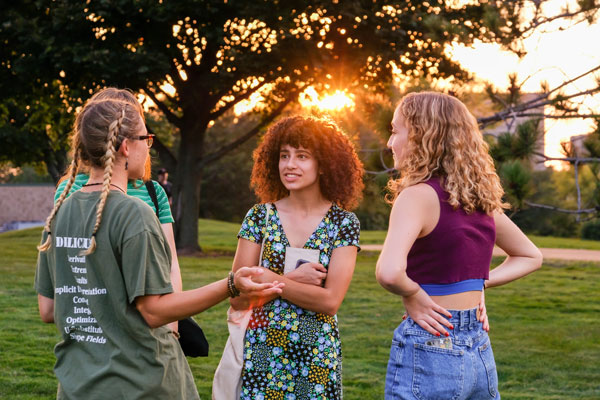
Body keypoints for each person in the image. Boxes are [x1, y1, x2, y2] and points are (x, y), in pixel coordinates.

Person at [34, 88, 283, 400]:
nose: (148, 148)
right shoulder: (134, 213)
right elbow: (154, 311)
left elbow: (49, 308)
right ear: (126, 146)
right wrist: (231, 285)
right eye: (145, 139)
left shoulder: (60, 212)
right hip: (141, 383)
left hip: (76, 385)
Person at [376, 91, 543, 399]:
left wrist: (412, 293)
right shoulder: (478, 201)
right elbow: (530, 255)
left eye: (395, 130)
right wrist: (480, 285)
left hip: (431, 340)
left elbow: (388, 272)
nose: (390, 143)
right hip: (478, 344)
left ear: (420, 135)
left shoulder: (416, 196)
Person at [230, 116, 364, 399]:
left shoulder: (344, 224)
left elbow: (329, 301)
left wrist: (268, 278)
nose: (290, 164)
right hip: (263, 354)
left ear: (324, 164)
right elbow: (238, 297)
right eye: (284, 156)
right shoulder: (259, 217)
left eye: (302, 156)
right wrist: (291, 279)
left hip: (317, 357)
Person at [53, 88, 183, 334]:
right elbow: (65, 266)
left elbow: (171, 264)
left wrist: (172, 327)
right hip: (94, 327)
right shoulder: (71, 191)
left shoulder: (154, 192)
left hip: (149, 322)